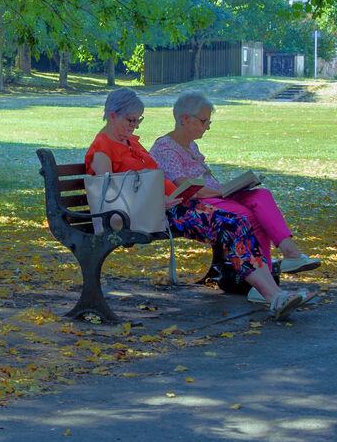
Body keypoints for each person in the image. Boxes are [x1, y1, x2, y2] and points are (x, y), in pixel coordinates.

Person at [86, 87, 314, 320]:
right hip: (161, 213)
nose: (134, 126)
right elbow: (110, 194)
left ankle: (273, 293)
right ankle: (273, 295)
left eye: (138, 120)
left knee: (237, 222)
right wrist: (157, 200)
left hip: (175, 204)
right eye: (130, 120)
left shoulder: (130, 142)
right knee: (232, 223)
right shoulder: (103, 148)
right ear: (112, 115)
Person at [151, 90, 320, 304]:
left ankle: (290, 254)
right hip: (196, 204)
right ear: (185, 119)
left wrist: (228, 188)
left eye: (208, 123)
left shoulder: (191, 145)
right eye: (204, 121)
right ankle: (265, 288)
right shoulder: (165, 147)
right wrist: (221, 191)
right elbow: (187, 188)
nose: (207, 127)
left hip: (216, 197)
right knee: (245, 215)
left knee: (261, 196)